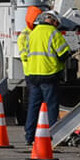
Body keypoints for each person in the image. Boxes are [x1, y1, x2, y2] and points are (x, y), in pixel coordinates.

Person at [21, 10, 71, 144]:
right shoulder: (54, 33)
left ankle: (29, 136)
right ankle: (52, 136)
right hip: (49, 74)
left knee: (33, 107)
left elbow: (26, 54)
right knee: (51, 107)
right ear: (53, 21)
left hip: (33, 75)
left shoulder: (33, 33)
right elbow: (64, 54)